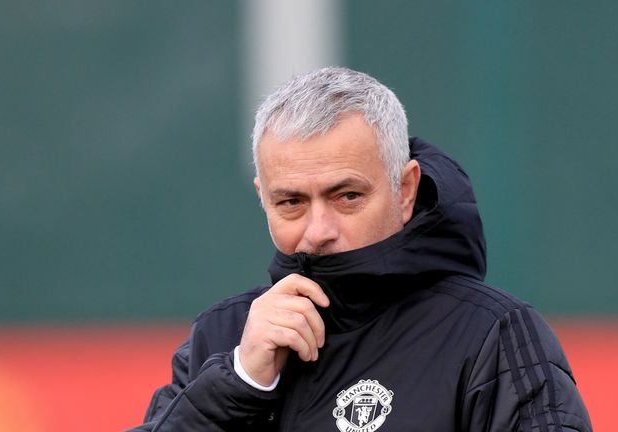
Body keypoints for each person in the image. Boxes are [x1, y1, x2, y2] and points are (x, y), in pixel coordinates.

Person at [129, 67, 592, 431]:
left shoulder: (491, 335)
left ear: (405, 190)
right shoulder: (222, 337)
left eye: (347, 196)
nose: (318, 230)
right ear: (262, 198)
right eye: (291, 202)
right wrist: (240, 383)